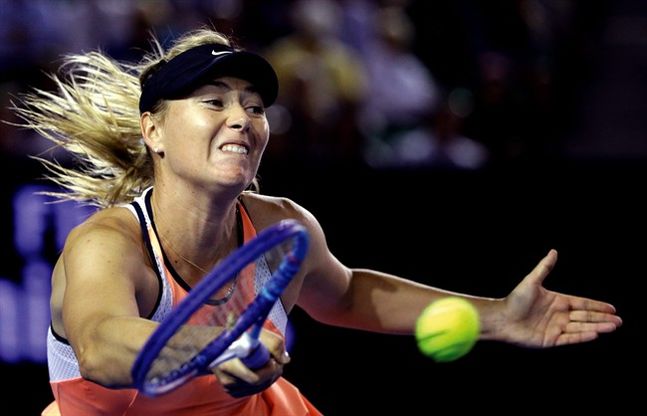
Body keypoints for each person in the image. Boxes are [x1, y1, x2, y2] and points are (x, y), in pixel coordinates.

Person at [13, 27, 621, 416]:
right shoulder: (109, 245)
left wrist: (497, 317)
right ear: (154, 130)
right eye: (213, 101)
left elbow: (347, 293)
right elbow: (99, 344)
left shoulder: (283, 228)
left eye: (254, 106)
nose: (242, 119)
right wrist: (215, 345)